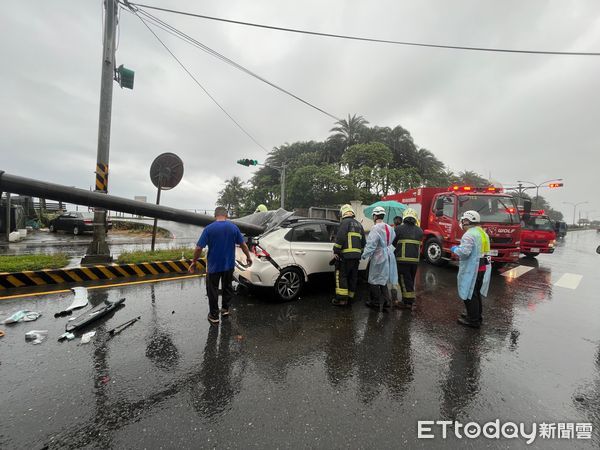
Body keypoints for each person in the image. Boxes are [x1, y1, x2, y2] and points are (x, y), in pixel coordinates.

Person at [189, 206, 252, 324]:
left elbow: (198, 248)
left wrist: (194, 262)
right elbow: (243, 245)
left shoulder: (209, 229)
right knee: (227, 287)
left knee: (212, 290)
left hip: (213, 267)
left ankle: (214, 316)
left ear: (215, 215)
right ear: (226, 215)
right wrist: (248, 257)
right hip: (228, 265)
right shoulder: (234, 228)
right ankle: (225, 309)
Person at [450, 210, 491, 328]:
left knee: (469, 294)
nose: (461, 223)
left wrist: (454, 249)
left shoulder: (469, 234)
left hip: (473, 269)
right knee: (476, 293)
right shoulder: (482, 233)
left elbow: (464, 253)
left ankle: (473, 320)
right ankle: (476, 315)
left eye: (463, 220)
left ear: (467, 221)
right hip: (483, 268)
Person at [361, 206, 398, 309]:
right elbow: (393, 238)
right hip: (388, 255)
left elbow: (371, 244)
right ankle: (387, 302)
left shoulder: (375, 228)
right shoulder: (390, 227)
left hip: (378, 256)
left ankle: (375, 302)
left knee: (373, 280)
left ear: (375, 216)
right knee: (383, 279)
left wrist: (364, 255)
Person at [332, 204, 366, 306]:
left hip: (345, 256)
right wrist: (358, 254)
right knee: (352, 277)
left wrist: (336, 251)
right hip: (356, 257)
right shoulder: (359, 225)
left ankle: (342, 300)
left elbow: (340, 238)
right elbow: (364, 243)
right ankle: (350, 297)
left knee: (341, 276)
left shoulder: (344, 223)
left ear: (343, 213)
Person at [391, 208, 423, 309]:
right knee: (410, 280)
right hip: (415, 261)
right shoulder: (419, 230)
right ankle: (409, 299)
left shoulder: (399, 229)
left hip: (402, 260)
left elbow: (393, 242)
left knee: (404, 281)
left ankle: (407, 302)